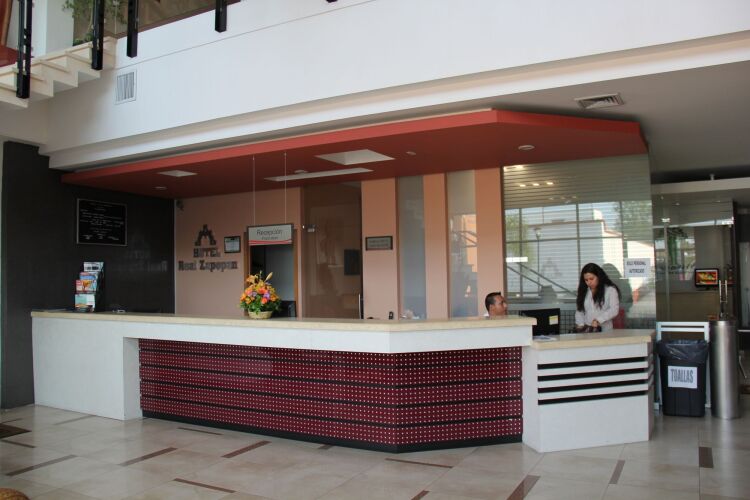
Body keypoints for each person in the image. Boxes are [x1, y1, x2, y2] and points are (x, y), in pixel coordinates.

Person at [575, 263, 621, 332]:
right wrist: (580, 325)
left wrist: (599, 320)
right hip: (587, 331)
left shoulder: (610, 290)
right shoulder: (584, 291)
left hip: (605, 331)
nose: (589, 282)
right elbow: (580, 310)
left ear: (599, 276)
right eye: (586, 280)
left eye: (591, 279)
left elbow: (614, 310)